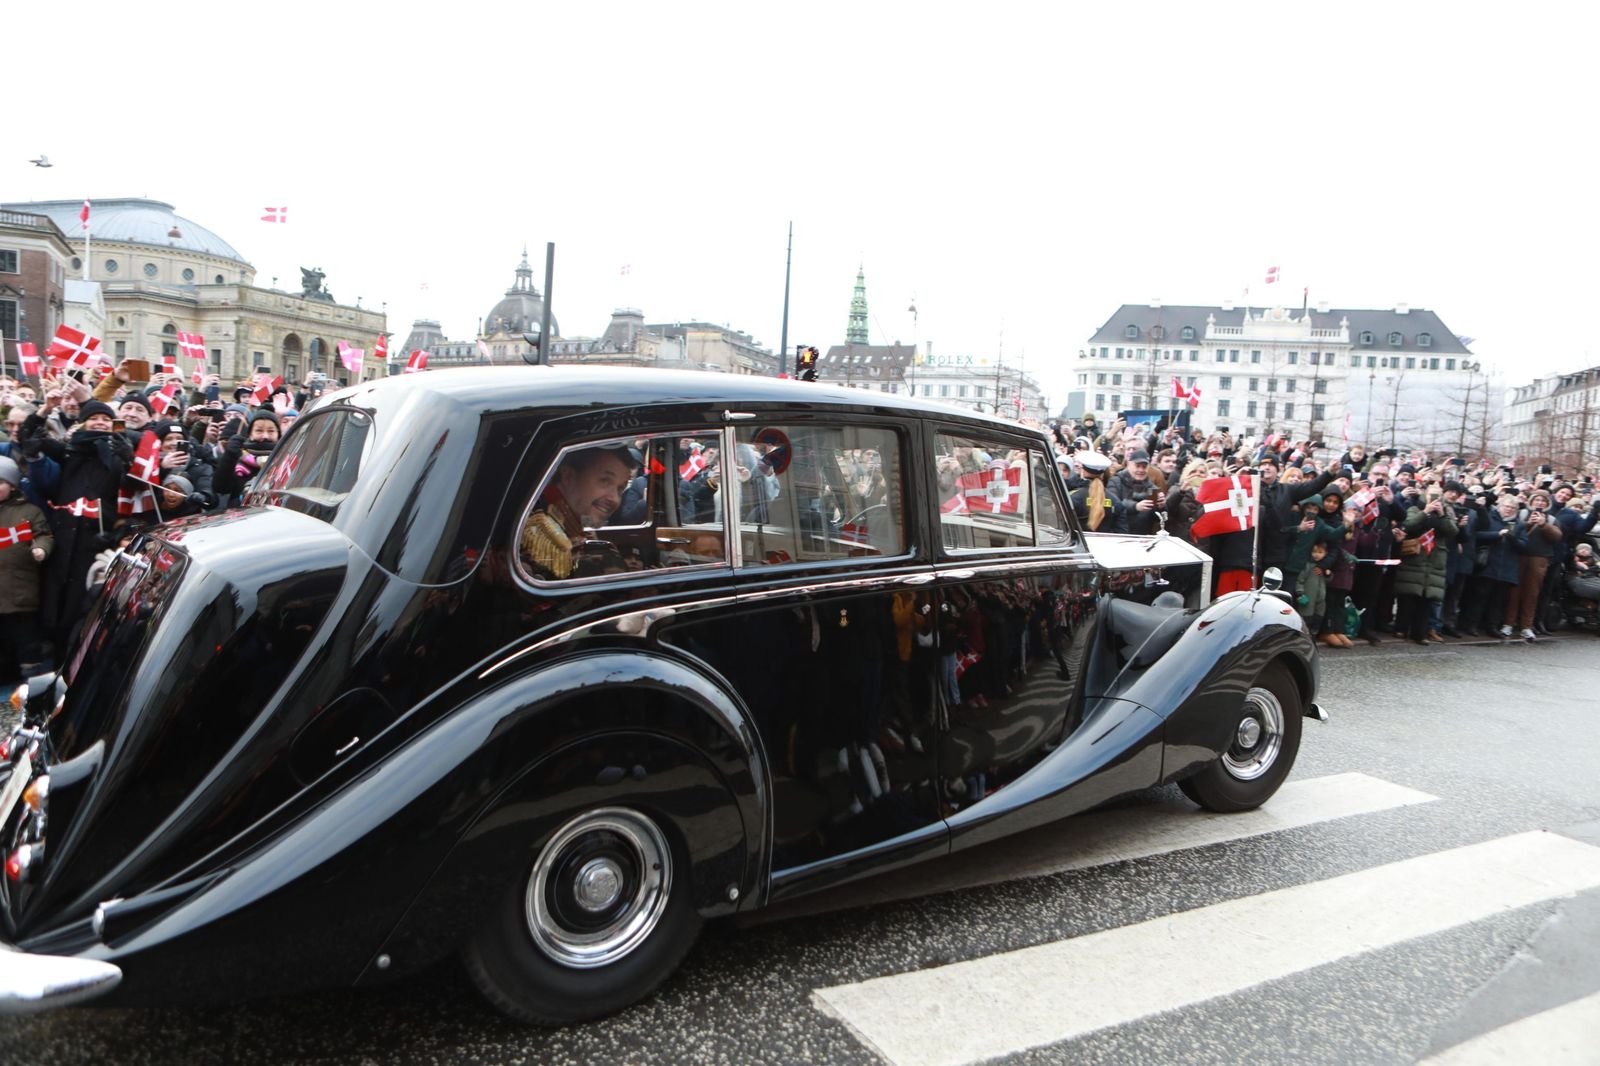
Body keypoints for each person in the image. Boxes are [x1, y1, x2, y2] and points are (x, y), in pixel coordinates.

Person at [519, 444, 632, 580]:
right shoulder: (539, 525)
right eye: (605, 481)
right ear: (568, 476)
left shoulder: (571, 515)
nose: (614, 499)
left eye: (620, 488)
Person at [0, 456, 54, 681]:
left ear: (12, 486)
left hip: (20, 593)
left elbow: (44, 535)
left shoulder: (29, 512)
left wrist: (41, 548)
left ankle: (30, 687)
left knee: (27, 647)